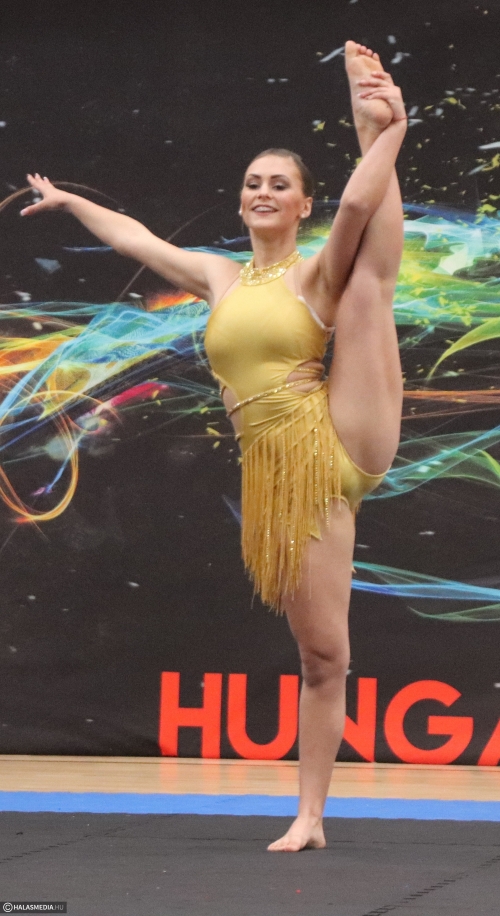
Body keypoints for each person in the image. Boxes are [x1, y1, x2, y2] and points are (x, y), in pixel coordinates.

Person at [22, 42, 406, 851]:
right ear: (241, 201)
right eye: (253, 183)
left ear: (301, 205)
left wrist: (388, 132)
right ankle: (311, 818)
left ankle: (376, 122)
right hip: (274, 472)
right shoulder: (219, 277)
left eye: (280, 184)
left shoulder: (313, 273)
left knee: (371, 282)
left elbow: (355, 211)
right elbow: (136, 240)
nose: (263, 191)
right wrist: (69, 201)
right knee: (320, 656)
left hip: (334, 432)